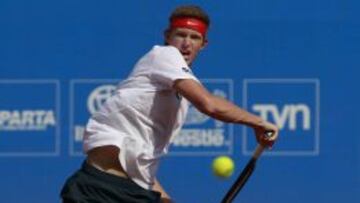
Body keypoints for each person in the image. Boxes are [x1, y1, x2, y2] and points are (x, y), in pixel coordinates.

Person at [60, 5, 279, 203]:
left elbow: (143, 169)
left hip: (133, 192)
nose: (186, 43)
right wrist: (259, 123)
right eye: (180, 35)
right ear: (167, 36)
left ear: (204, 44)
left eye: (194, 37)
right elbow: (209, 104)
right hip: (99, 189)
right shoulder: (164, 55)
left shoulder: (178, 101)